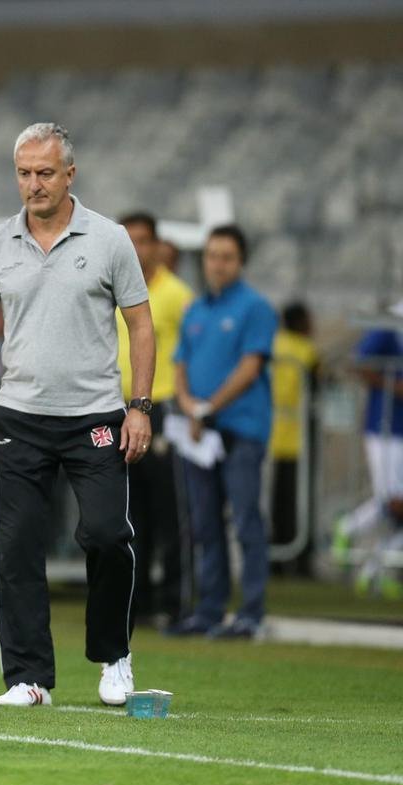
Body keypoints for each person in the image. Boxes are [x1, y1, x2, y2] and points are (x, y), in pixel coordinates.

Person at [0, 123, 155, 708]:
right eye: (24, 173)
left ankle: (114, 655)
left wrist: (139, 406)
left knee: (107, 534)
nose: (33, 184)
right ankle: (28, 678)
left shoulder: (110, 239)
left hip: (96, 416)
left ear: (69, 174)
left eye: (44, 173)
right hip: (20, 416)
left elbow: (141, 324)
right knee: (16, 549)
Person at [169, 224, 278, 638]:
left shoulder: (255, 307)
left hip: (240, 429)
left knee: (246, 520)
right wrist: (189, 406)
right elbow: (180, 364)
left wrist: (207, 408)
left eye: (227, 257)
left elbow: (250, 367)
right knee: (205, 523)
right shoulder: (196, 309)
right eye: (212, 256)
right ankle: (210, 609)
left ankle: (251, 612)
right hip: (201, 433)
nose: (218, 264)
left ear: (241, 261)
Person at [116, 212, 194, 626]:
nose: (136, 249)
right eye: (128, 240)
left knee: (170, 511)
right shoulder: (111, 287)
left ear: (157, 245)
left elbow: (192, 353)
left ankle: (177, 601)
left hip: (161, 409)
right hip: (116, 408)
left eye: (142, 240)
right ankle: (138, 601)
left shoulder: (177, 295)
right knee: (131, 514)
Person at [332, 321, 403, 598]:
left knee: (394, 501)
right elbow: (358, 363)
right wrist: (393, 385)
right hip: (385, 428)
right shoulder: (390, 324)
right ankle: (351, 528)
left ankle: (375, 569)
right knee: (393, 501)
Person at [269, 301, 319, 577]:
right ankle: (300, 561)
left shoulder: (274, 344)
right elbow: (317, 385)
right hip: (298, 438)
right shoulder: (306, 350)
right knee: (299, 501)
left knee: (275, 501)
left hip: (270, 435)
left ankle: (275, 559)